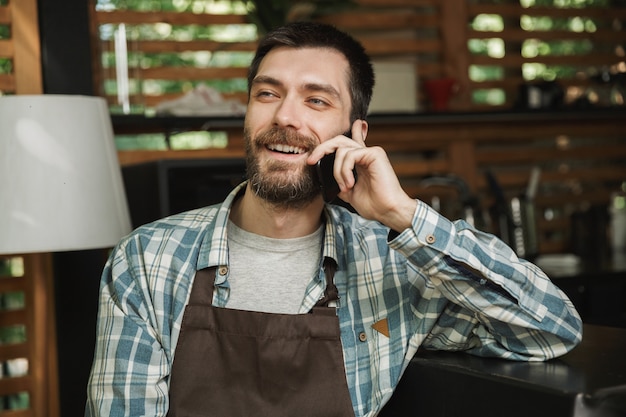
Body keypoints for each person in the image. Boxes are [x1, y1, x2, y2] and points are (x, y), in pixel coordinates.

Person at [85, 21, 582, 417]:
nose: (285, 117)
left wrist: (402, 215)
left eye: (317, 100)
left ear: (355, 135)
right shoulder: (149, 260)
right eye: (267, 94)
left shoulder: (393, 265)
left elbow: (550, 328)